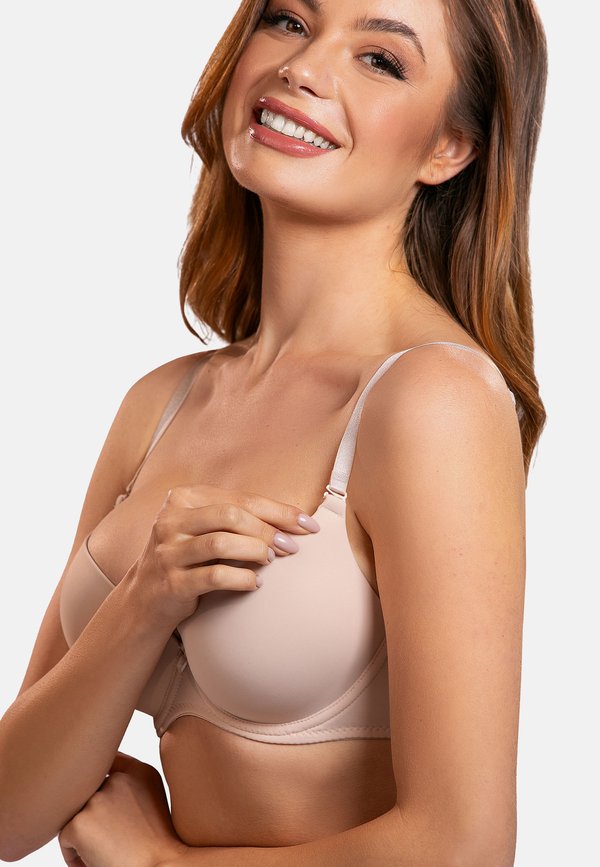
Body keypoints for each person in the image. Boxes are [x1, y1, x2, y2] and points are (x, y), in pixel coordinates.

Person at [0, 0, 547, 863]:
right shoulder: (161, 402)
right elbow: (11, 813)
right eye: (289, 20)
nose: (302, 67)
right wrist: (141, 603)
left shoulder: (431, 401)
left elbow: (465, 844)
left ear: (449, 148)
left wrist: (163, 864)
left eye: (381, 59)